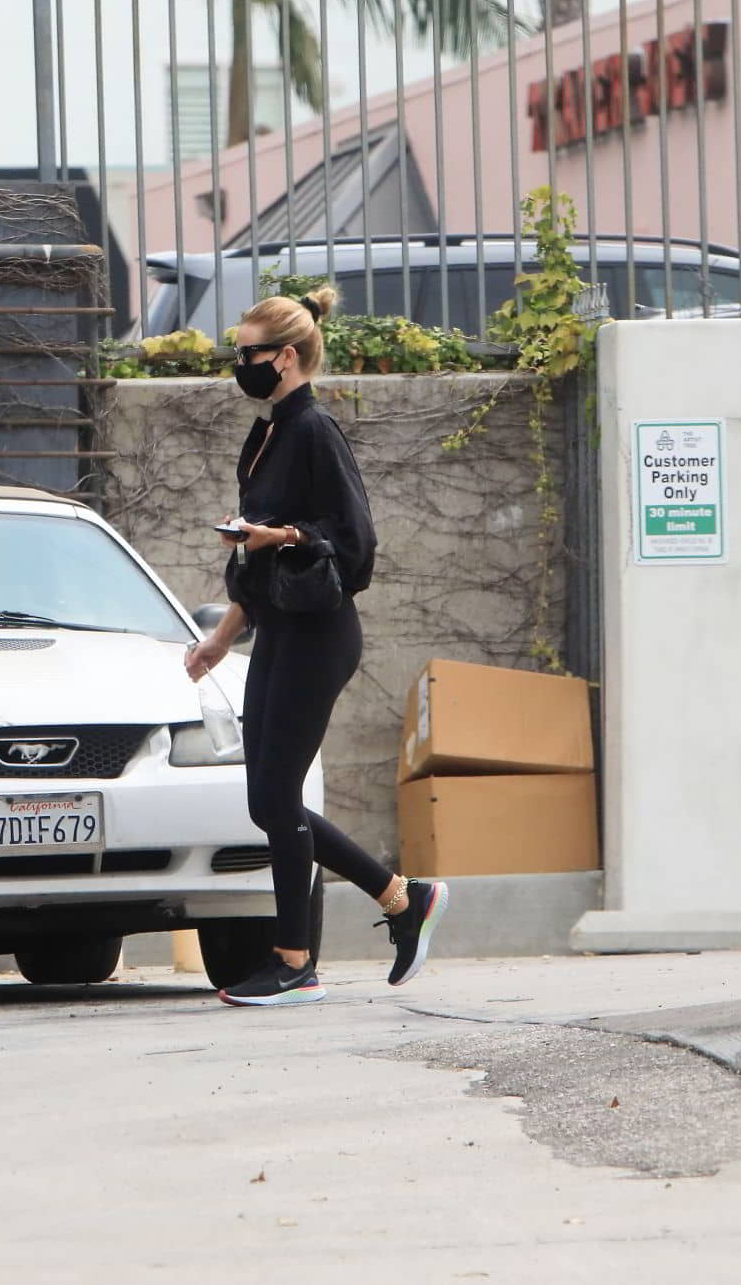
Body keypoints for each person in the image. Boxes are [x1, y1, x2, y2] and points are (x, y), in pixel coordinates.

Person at [184, 285, 449, 1007]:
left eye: (250, 354)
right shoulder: (266, 432)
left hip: (321, 633)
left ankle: (296, 962)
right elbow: (257, 562)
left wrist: (286, 535)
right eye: (236, 353)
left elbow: (355, 544)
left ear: (289, 356)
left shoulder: (314, 430)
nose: (240, 364)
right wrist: (222, 636)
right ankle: (401, 898)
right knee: (266, 801)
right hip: (280, 628)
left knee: (275, 795)